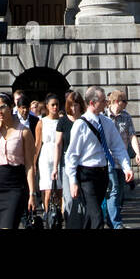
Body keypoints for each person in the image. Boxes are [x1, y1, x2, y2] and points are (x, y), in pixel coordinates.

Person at [63, 86, 134, 229]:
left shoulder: (107, 123)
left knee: (90, 215)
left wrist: (126, 167)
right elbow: (72, 155)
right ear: (92, 103)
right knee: (97, 216)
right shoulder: (80, 125)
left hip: (102, 173)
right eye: (103, 101)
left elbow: (117, 146)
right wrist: (73, 181)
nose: (106, 103)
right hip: (86, 175)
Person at [0, 92, 37, 229]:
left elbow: (29, 165)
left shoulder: (24, 132)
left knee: (8, 225)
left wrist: (32, 193)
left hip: (15, 185)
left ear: (11, 106)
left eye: (2, 107)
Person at [104, 90, 140, 229]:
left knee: (120, 192)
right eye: (125, 101)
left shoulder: (126, 117)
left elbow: (132, 135)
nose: (127, 103)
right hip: (108, 160)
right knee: (114, 189)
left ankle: (110, 217)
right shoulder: (104, 116)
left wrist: (137, 153)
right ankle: (116, 223)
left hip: (122, 159)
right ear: (117, 101)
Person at [34, 94, 64, 222]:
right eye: (52, 105)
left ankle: (61, 215)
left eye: (57, 104)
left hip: (60, 155)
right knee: (47, 189)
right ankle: (47, 213)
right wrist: (33, 163)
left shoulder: (62, 121)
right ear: (47, 106)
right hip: (46, 156)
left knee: (60, 189)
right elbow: (37, 143)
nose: (55, 107)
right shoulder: (42, 122)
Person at [59, 91, 84, 223]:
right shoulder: (63, 121)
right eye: (71, 105)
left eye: (76, 105)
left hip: (83, 162)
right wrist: (55, 167)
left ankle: (81, 223)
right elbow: (58, 144)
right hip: (66, 162)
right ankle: (70, 223)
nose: (74, 108)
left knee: (82, 198)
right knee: (68, 197)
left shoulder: (85, 120)